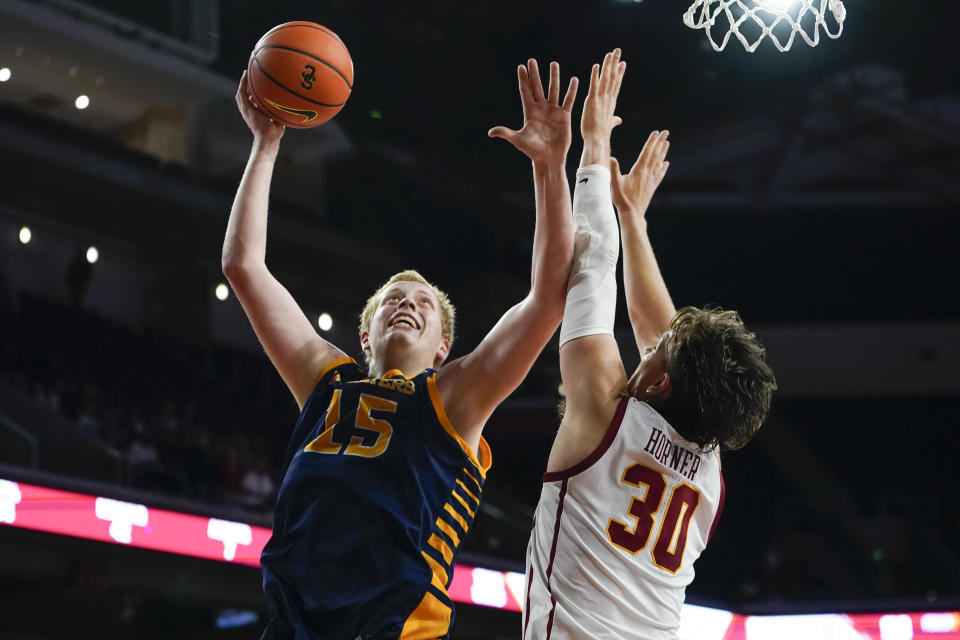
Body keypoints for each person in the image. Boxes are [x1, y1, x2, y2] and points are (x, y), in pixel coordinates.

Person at [223, 54, 581, 639]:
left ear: (444, 346)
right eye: (393, 298)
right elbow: (242, 266)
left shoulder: (455, 398)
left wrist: (549, 166)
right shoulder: (327, 381)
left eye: (424, 304)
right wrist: (265, 144)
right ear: (365, 334)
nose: (407, 303)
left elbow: (547, 300)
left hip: (392, 628)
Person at [523, 50, 777, 639]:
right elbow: (659, 336)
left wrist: (589, 148)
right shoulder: (707, 467)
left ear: (660, 380)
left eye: (661, 350)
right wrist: (633, 217)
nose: (652, 342)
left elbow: (592, 263)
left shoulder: (603, 412)